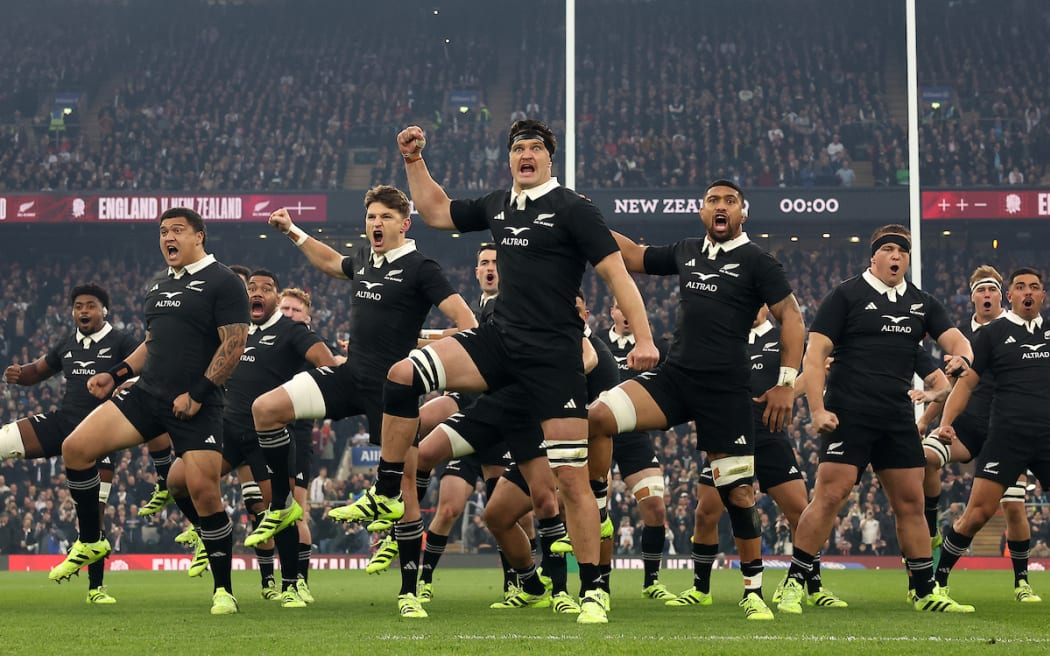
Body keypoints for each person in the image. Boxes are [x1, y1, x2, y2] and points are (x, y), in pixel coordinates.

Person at [336, 120, 660, 625]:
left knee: (570, 481)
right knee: (402, 376)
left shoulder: (574, 208)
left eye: (535, 148)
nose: (526, 154)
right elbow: (436, 210)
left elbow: (617, 273)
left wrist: (644, 338)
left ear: (549, 159)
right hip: (500, 341)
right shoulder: (498, 206)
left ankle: (593, 589)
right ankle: (387, 492)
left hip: (553, 355)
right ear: (509, 159)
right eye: (518, 148)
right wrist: (413, 160)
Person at [246, 185, 476, 620]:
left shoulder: (421, 267)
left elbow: (467, 323)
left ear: (404, 223)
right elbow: (332, 262)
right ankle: (282, 505)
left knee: (405, 497)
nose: (376, 223)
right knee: (266, 409)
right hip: (351, 377)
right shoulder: (367, 260)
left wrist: (422, 350)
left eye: (385, 216)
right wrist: (293, 230)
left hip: (393, 392)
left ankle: (409, 593)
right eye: (371, 217)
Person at [588, 179, 804, 621]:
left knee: (738, 494)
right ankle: (598, 508)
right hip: (676, 378)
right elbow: (634, 255)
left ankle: (753, 592)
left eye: (730, 201)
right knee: (599, 416)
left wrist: (786, 382)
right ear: (702, 211)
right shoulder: (687, 250)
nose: (721, 206)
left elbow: (793, 317)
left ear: (743, 212)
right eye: (713, 200)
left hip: (726, 391)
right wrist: (584, 220)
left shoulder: (758, 261)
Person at [49, 207, 250, 615]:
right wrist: (116, 373)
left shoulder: (224, 281)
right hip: (146, 396)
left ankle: (223, 590)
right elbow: (152, 342)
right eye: (162, 232)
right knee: (76, 448)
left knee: (204, 493)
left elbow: (234, 344)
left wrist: (197, 394)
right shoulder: (158, 285)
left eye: (177, 230)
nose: (168, 238)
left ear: (199, 236)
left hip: (198, 403)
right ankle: (91, 540)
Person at [778, 224, 974, 615]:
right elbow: (814, 355)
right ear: (874, 256)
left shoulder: (921, 303)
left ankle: (924, 590)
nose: (896, 256)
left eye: (902, 251)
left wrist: (962, 358)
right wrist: (816, 409)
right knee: (830, 495)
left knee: (911, 502)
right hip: (849, 413)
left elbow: (957, 341)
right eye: (888, 249)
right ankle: (794, 583)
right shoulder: (846, 295)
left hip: (896, 417)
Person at [165, 271, 336, 607]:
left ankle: (290, 585)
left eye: (266, 288)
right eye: (251, 288)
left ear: (276, 298)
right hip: (226, 430)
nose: (257, 293)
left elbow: (327, 365)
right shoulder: (231, 332)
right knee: (176, 481)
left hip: (267, 435)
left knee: (280, 510)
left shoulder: (292, 331)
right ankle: (205, 531)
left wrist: (307, 398)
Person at [1, 283, 138, 603]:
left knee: (94, 515)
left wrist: (129, 383)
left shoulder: (121, 340)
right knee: (4, 439)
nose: (83, 311)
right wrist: (20, 373)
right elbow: (38, 371)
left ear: (105, 310)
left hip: (102, 435)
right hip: (65, 423)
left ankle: (96, 589)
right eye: (78, 306)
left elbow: (144, 368)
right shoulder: (66, 342)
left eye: (90, 305)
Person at [917, 265, 1041, 603]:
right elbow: (953, 385)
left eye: (992, 290)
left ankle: (1021, 582)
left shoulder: (1022, 330)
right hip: (972, 427)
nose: (987, 295)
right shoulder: (963, 338)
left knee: (1013, 507)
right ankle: (931, 533)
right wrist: (929, 419)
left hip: (1011, 431)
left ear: (1003, 296)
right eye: (981, 291)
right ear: (972, 297)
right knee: (926, 458)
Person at [594, 298, 673, 600]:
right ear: (612, 312)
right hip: (598, 435)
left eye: (631, 307)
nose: (626, 313)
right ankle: (600, 584)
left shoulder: (654, 348)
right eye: (620, 307)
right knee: (599, 510)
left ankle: (651, 582)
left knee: (655, 506)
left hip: (634, 435)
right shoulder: (597, 342)